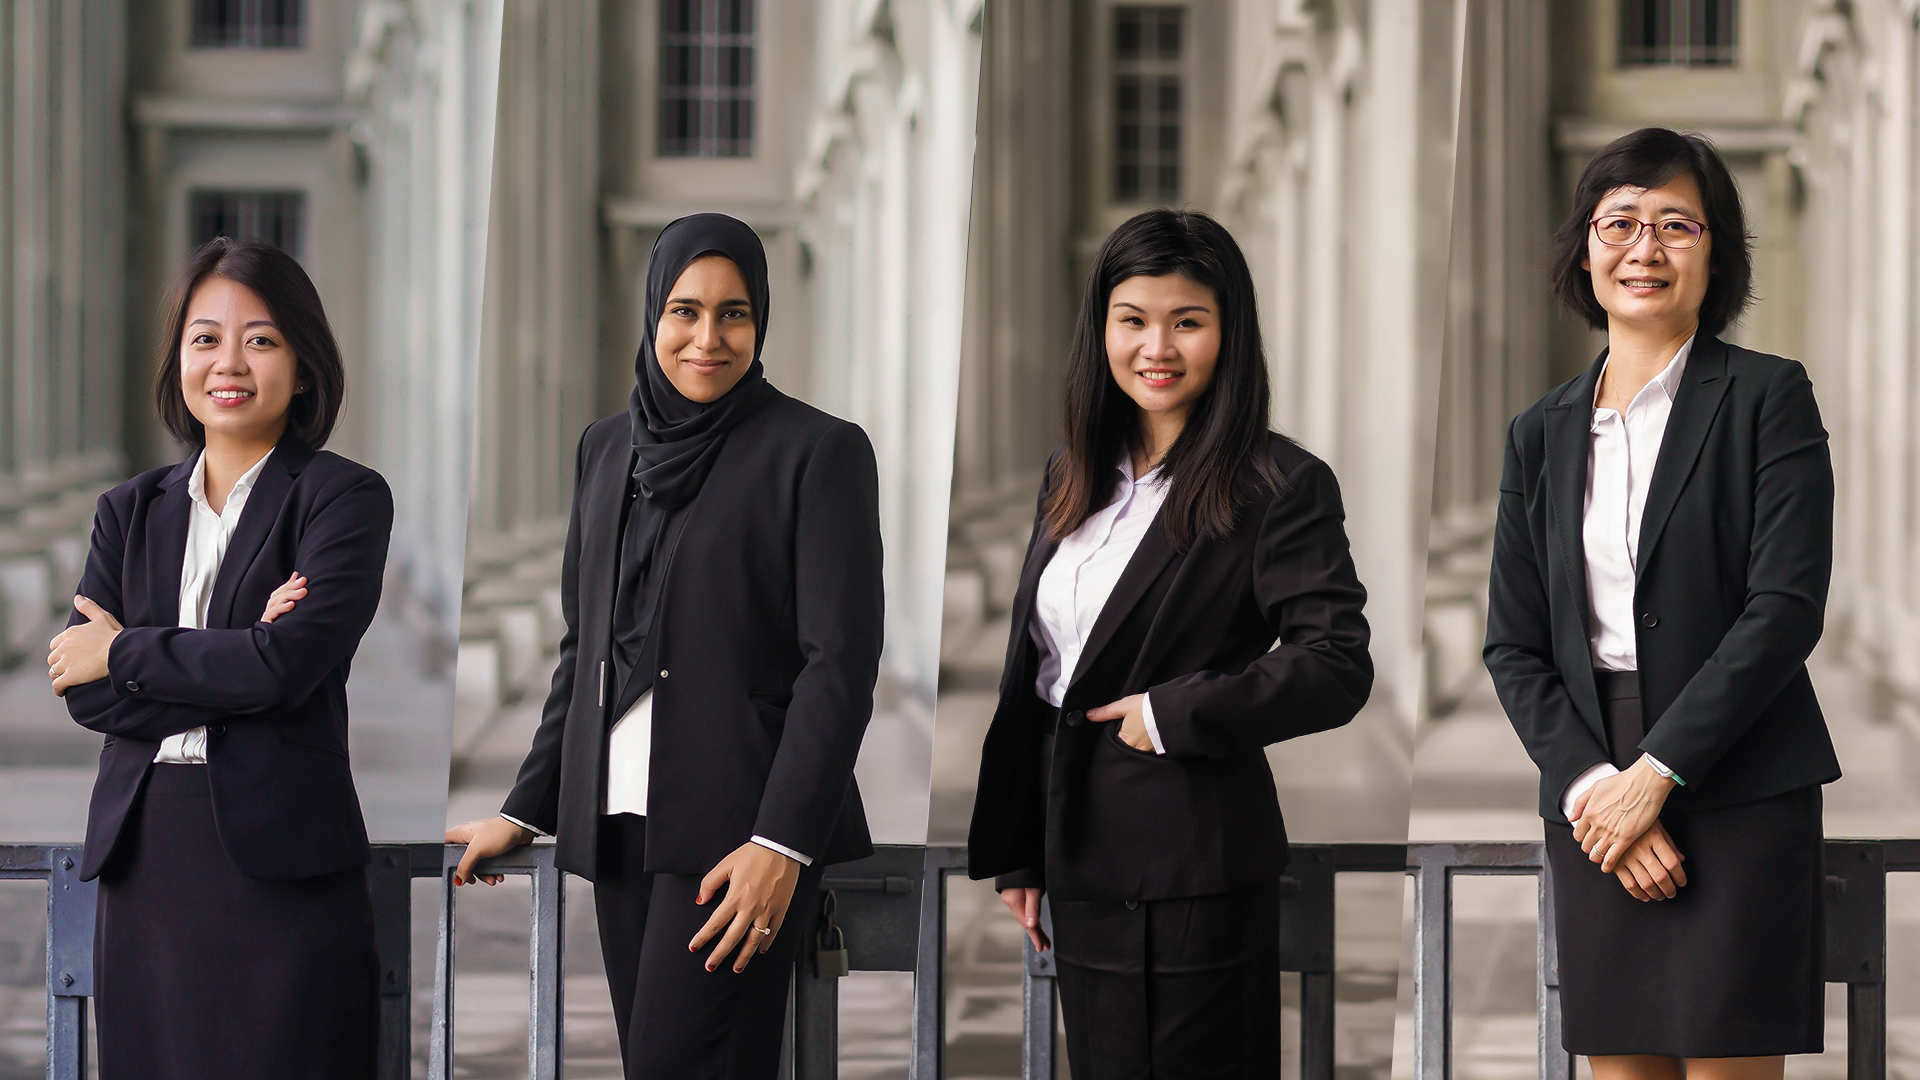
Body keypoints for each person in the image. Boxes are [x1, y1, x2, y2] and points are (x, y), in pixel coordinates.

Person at [445, 213, 884, 1079]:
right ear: (653, 314)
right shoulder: (607, 449)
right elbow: (587, 648)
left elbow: (840, 664)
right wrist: (527, 808)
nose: (707, 338)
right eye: (685, 310)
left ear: (760, 324)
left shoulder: (817, 453)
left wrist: (781, 845)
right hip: (622, 829)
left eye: (734, 314)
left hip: (737, 835)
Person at [966, 208, 1373, 1078]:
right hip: (1080, 861)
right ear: (1100, 331)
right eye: (1134, 321)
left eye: (1187, 321)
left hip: (1192, 861)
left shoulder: (1279, 484)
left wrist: (1173, 712)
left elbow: (1336, 661)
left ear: (1228, 333)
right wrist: (1021, 849)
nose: (1158, 347)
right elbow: (1042, 674)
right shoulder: (1069, 473)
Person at [1485, 127, 1838, 1079]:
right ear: (1585, 247)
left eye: (1676, 224)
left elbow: (1785, 607)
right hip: (1594, 783)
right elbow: (1513, 645)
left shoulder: (1769, 396)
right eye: (1621, 222)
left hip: (1737, 772)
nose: (1644, 248)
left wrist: (1659, 774)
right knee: (1625, 1066)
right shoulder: (1539, 434)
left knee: (1728, 1066)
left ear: (1715, 251)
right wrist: (1598, 788)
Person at [46, 237, 392, 1078]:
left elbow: (288, 667)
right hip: (150, 863)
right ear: (178, 364)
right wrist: (237, 653)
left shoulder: (342, 499)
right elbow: (84, 694)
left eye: (261, 339)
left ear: (304, 367)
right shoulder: (127, 511)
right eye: (205, 339)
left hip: (285, 869)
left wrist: (125, 650)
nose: (228, 362)